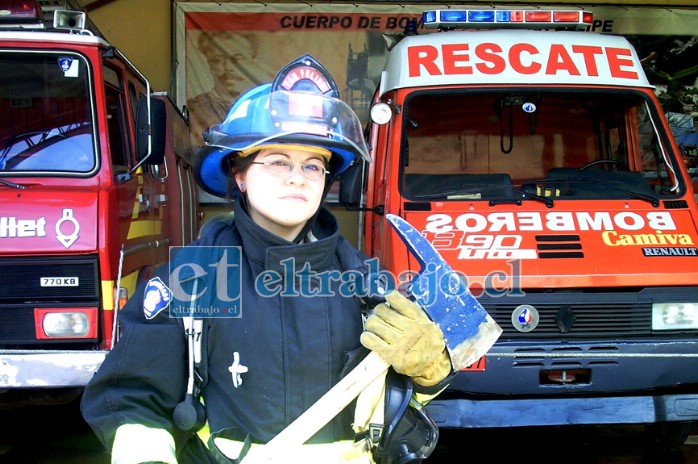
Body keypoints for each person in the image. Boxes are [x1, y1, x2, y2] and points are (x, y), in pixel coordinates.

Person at [81, 54, 454, 464]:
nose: (298, 177)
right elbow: (131, 400)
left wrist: (429, 372)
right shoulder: (198, 279)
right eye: (277, 161)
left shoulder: (364, 282)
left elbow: (400, 397)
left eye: (313, 165)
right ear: (238, 174)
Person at [186, 31, 259, 147]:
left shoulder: (266, 107)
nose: (228, 68)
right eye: (217, 60)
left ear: (251, 62)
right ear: (209, 64)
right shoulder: (195, 109)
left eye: (237, 60)